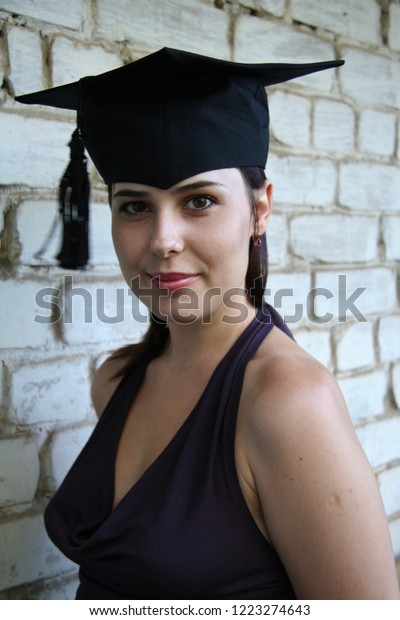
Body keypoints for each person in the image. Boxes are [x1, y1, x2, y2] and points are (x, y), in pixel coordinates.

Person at [16, 47, 400, 600]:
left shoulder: (288, 403)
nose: (162, 240)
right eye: (134, 206)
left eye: (198, 201)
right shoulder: (116, 379)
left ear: (260, 210)